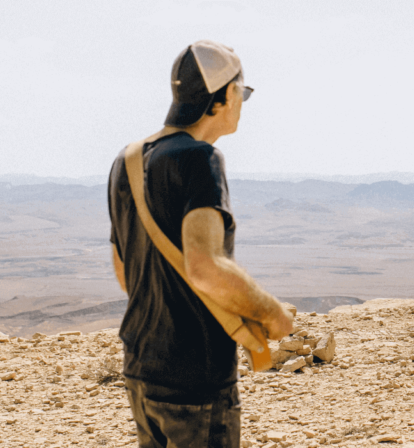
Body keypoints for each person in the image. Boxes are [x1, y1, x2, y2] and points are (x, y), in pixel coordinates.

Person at [107, 40, 293, 448]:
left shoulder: (129, 160)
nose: (242, 102)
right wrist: (272, 313)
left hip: (141, 364)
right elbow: (205, 267)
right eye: (242, 93)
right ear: (225, 95)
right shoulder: (201, 159)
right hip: (195, 376)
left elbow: (126, 272)